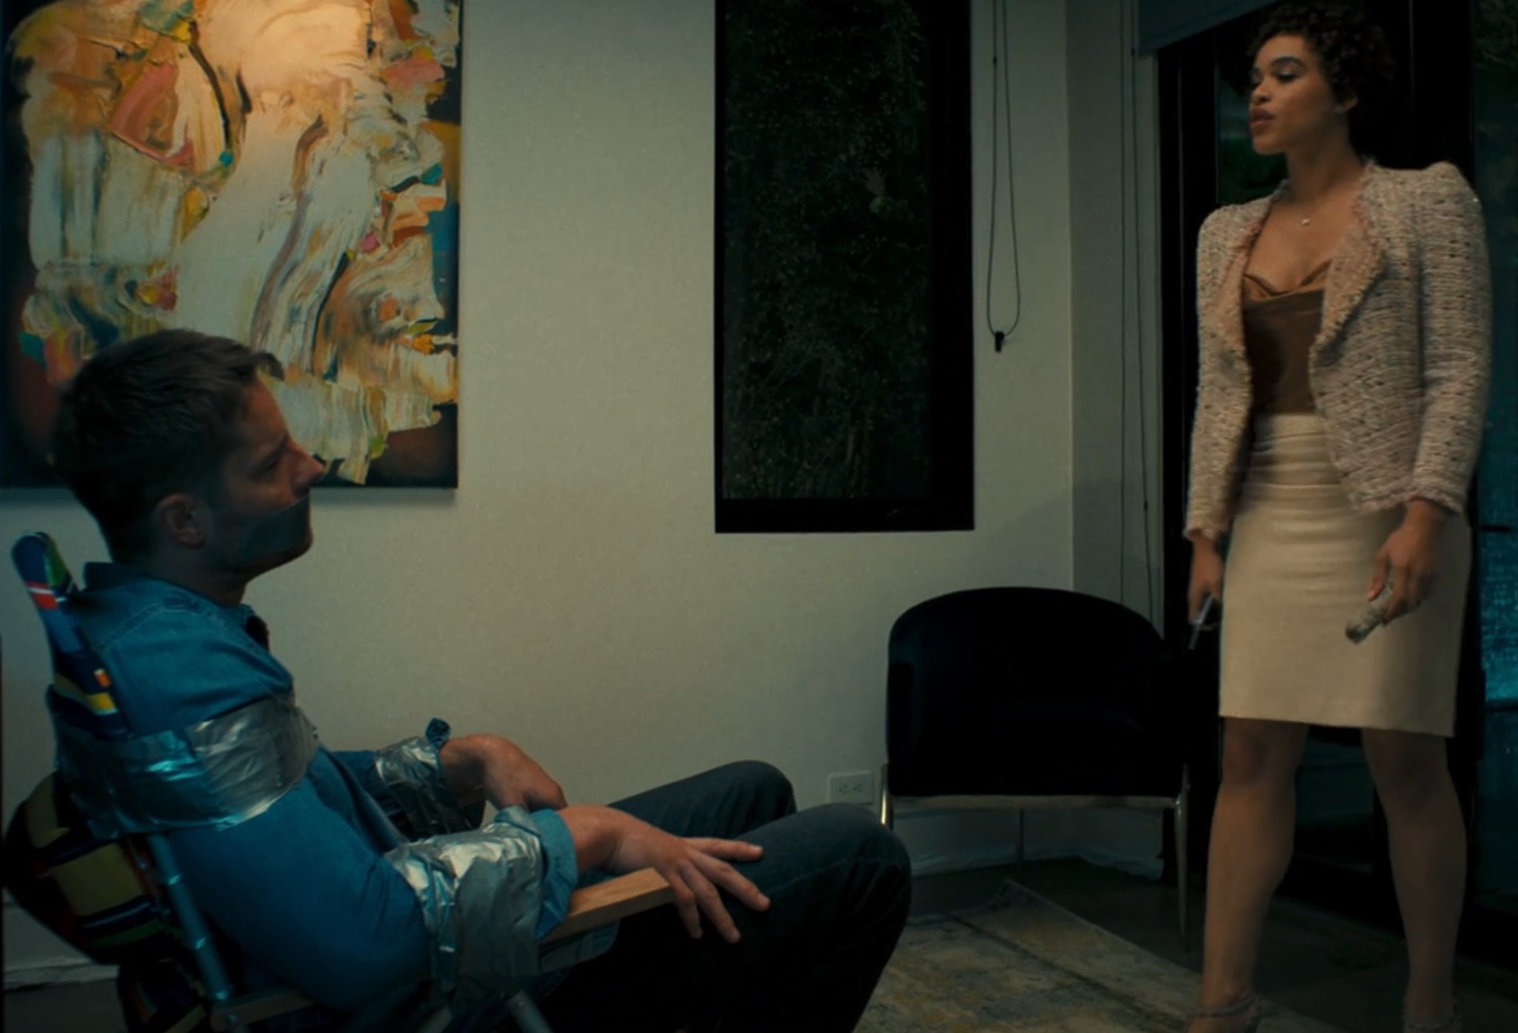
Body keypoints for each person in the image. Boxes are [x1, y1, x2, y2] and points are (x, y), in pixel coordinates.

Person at [46, 328, 912, 1032]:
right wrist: (586, 836)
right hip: (437, 999)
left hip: (416, 945)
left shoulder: (151, 629)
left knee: (751, 792)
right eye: (273, 462)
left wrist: (459, 758)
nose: (311, 467)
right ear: (185, 521)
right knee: (860, 856)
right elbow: (366, 942)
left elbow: (286, 796)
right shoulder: (183, 678)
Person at [1181, 2, 1491, 1033]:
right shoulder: (1225, 231)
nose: (1259, 94)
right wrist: (1207, 534)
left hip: (1387, 509)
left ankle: (1430, 999)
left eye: (1286, 74)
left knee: (1403, 759)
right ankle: (1223, 1002)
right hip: (1272, 507)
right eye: (1255, 78)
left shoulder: (1425, 202)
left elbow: (1459, 369)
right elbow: (1219, 394)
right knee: (1247, 755)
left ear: (1345, 92)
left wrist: (1428, 512)